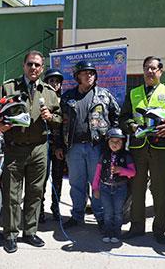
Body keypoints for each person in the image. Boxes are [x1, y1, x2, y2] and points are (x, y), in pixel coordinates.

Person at [0, 51, 62, 254]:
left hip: (39, 148)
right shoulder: (9, 87)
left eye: (38, 65)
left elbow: (60, 118)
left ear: (42, 68)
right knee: (12, 194)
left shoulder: (48, 91)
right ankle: (10, 234)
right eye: (30, 64)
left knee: (35, 192)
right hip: (15, 147)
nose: (33, 68)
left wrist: (51, 116)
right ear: (24, 65)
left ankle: (30, 232)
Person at [119, 56, 165, 244]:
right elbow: (123, 117)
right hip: (138, 148)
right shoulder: (133, 93)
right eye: (146, 68)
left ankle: (159, 230)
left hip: (162, 148)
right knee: (137, 189)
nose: (149, 72)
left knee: (159, 190)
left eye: (153, 69)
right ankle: (136, 227)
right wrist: (133, 127)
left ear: (160, 71)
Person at [60, 60, 120, 229]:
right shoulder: (68, 97)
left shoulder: (104, 95)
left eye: (92, 73)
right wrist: (59, 145)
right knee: (76, 184)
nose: (89, 75)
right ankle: (77, 216)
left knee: (97, 184)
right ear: (77, 76)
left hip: (97, 147)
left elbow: (116, 115)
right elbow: (60, 122)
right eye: (85, 73)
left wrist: (112, 139)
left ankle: (100, 217)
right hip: (74, 148)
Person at [92, 128, 136, 243]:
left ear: (123, 143)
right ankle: (107, 232)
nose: (115, 144)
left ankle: (116, 232)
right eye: (112, 142)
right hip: (105, 187)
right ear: (108, 142)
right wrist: (95, 188)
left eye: (118, 142)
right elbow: (97, 173)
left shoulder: (126, 156)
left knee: (118, 212)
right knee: (107, 212)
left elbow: (132, 172)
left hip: (120, 188)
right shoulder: (104, 156)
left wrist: (121, 170)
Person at [40, 68, 67, 222]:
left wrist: (60, 147)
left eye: (57, 82)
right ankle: (40, 209)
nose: (55, 84)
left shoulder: (64, 101)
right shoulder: (41, 98)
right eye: (51, 81)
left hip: (58, 146)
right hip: (43, 144)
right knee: (41, 179)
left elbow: (63, 126)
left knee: (57, 178)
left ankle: (55, 207)